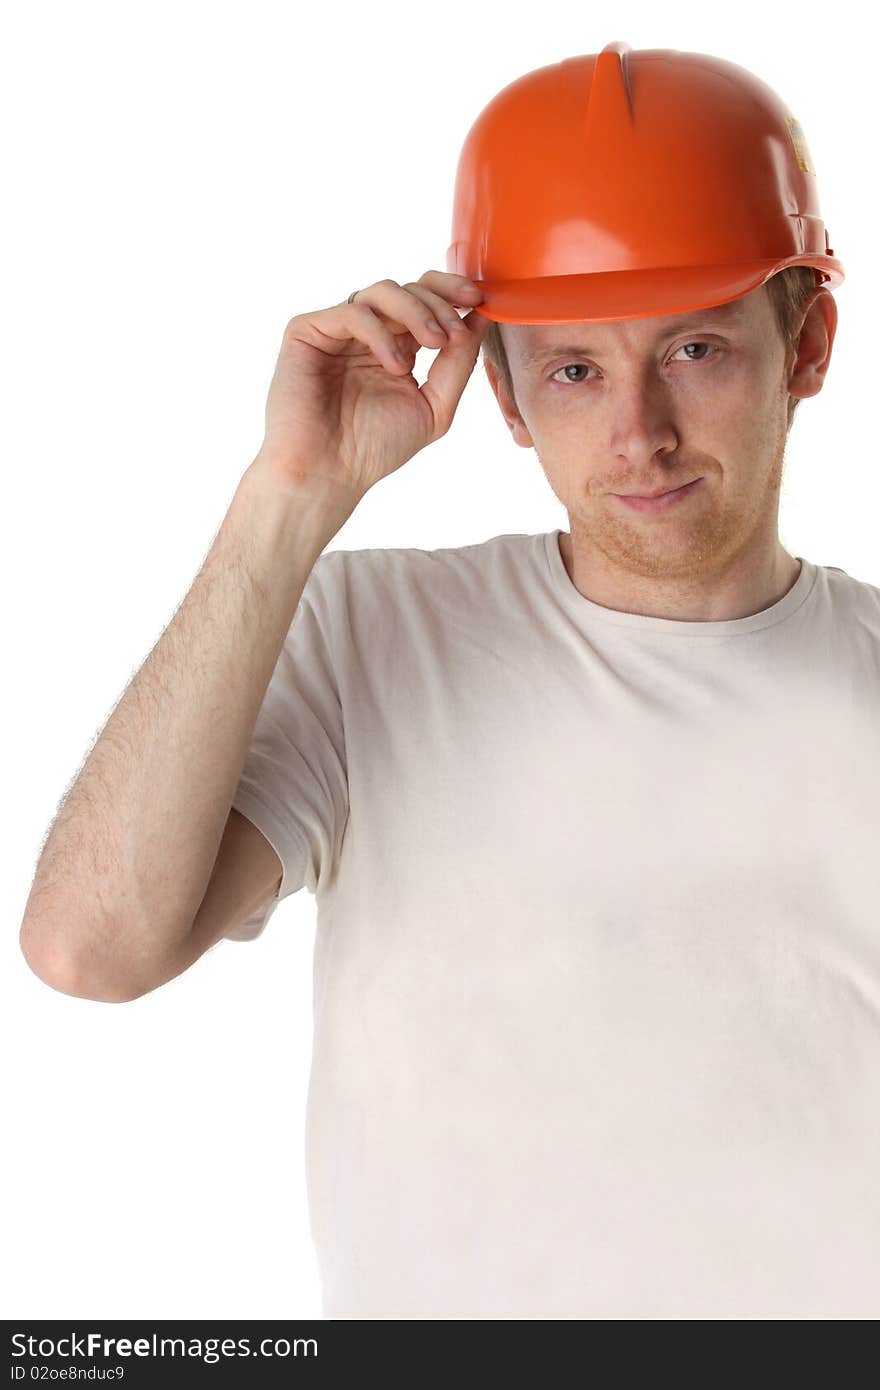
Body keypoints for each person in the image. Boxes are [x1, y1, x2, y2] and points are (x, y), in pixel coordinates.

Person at [18, 44, 880, 1320]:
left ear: (804, 344)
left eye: (695, 349)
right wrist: (286, 502)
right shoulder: (372, 633)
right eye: (574, 369)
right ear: (510, 400)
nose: (636, 431)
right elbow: (90, 949)